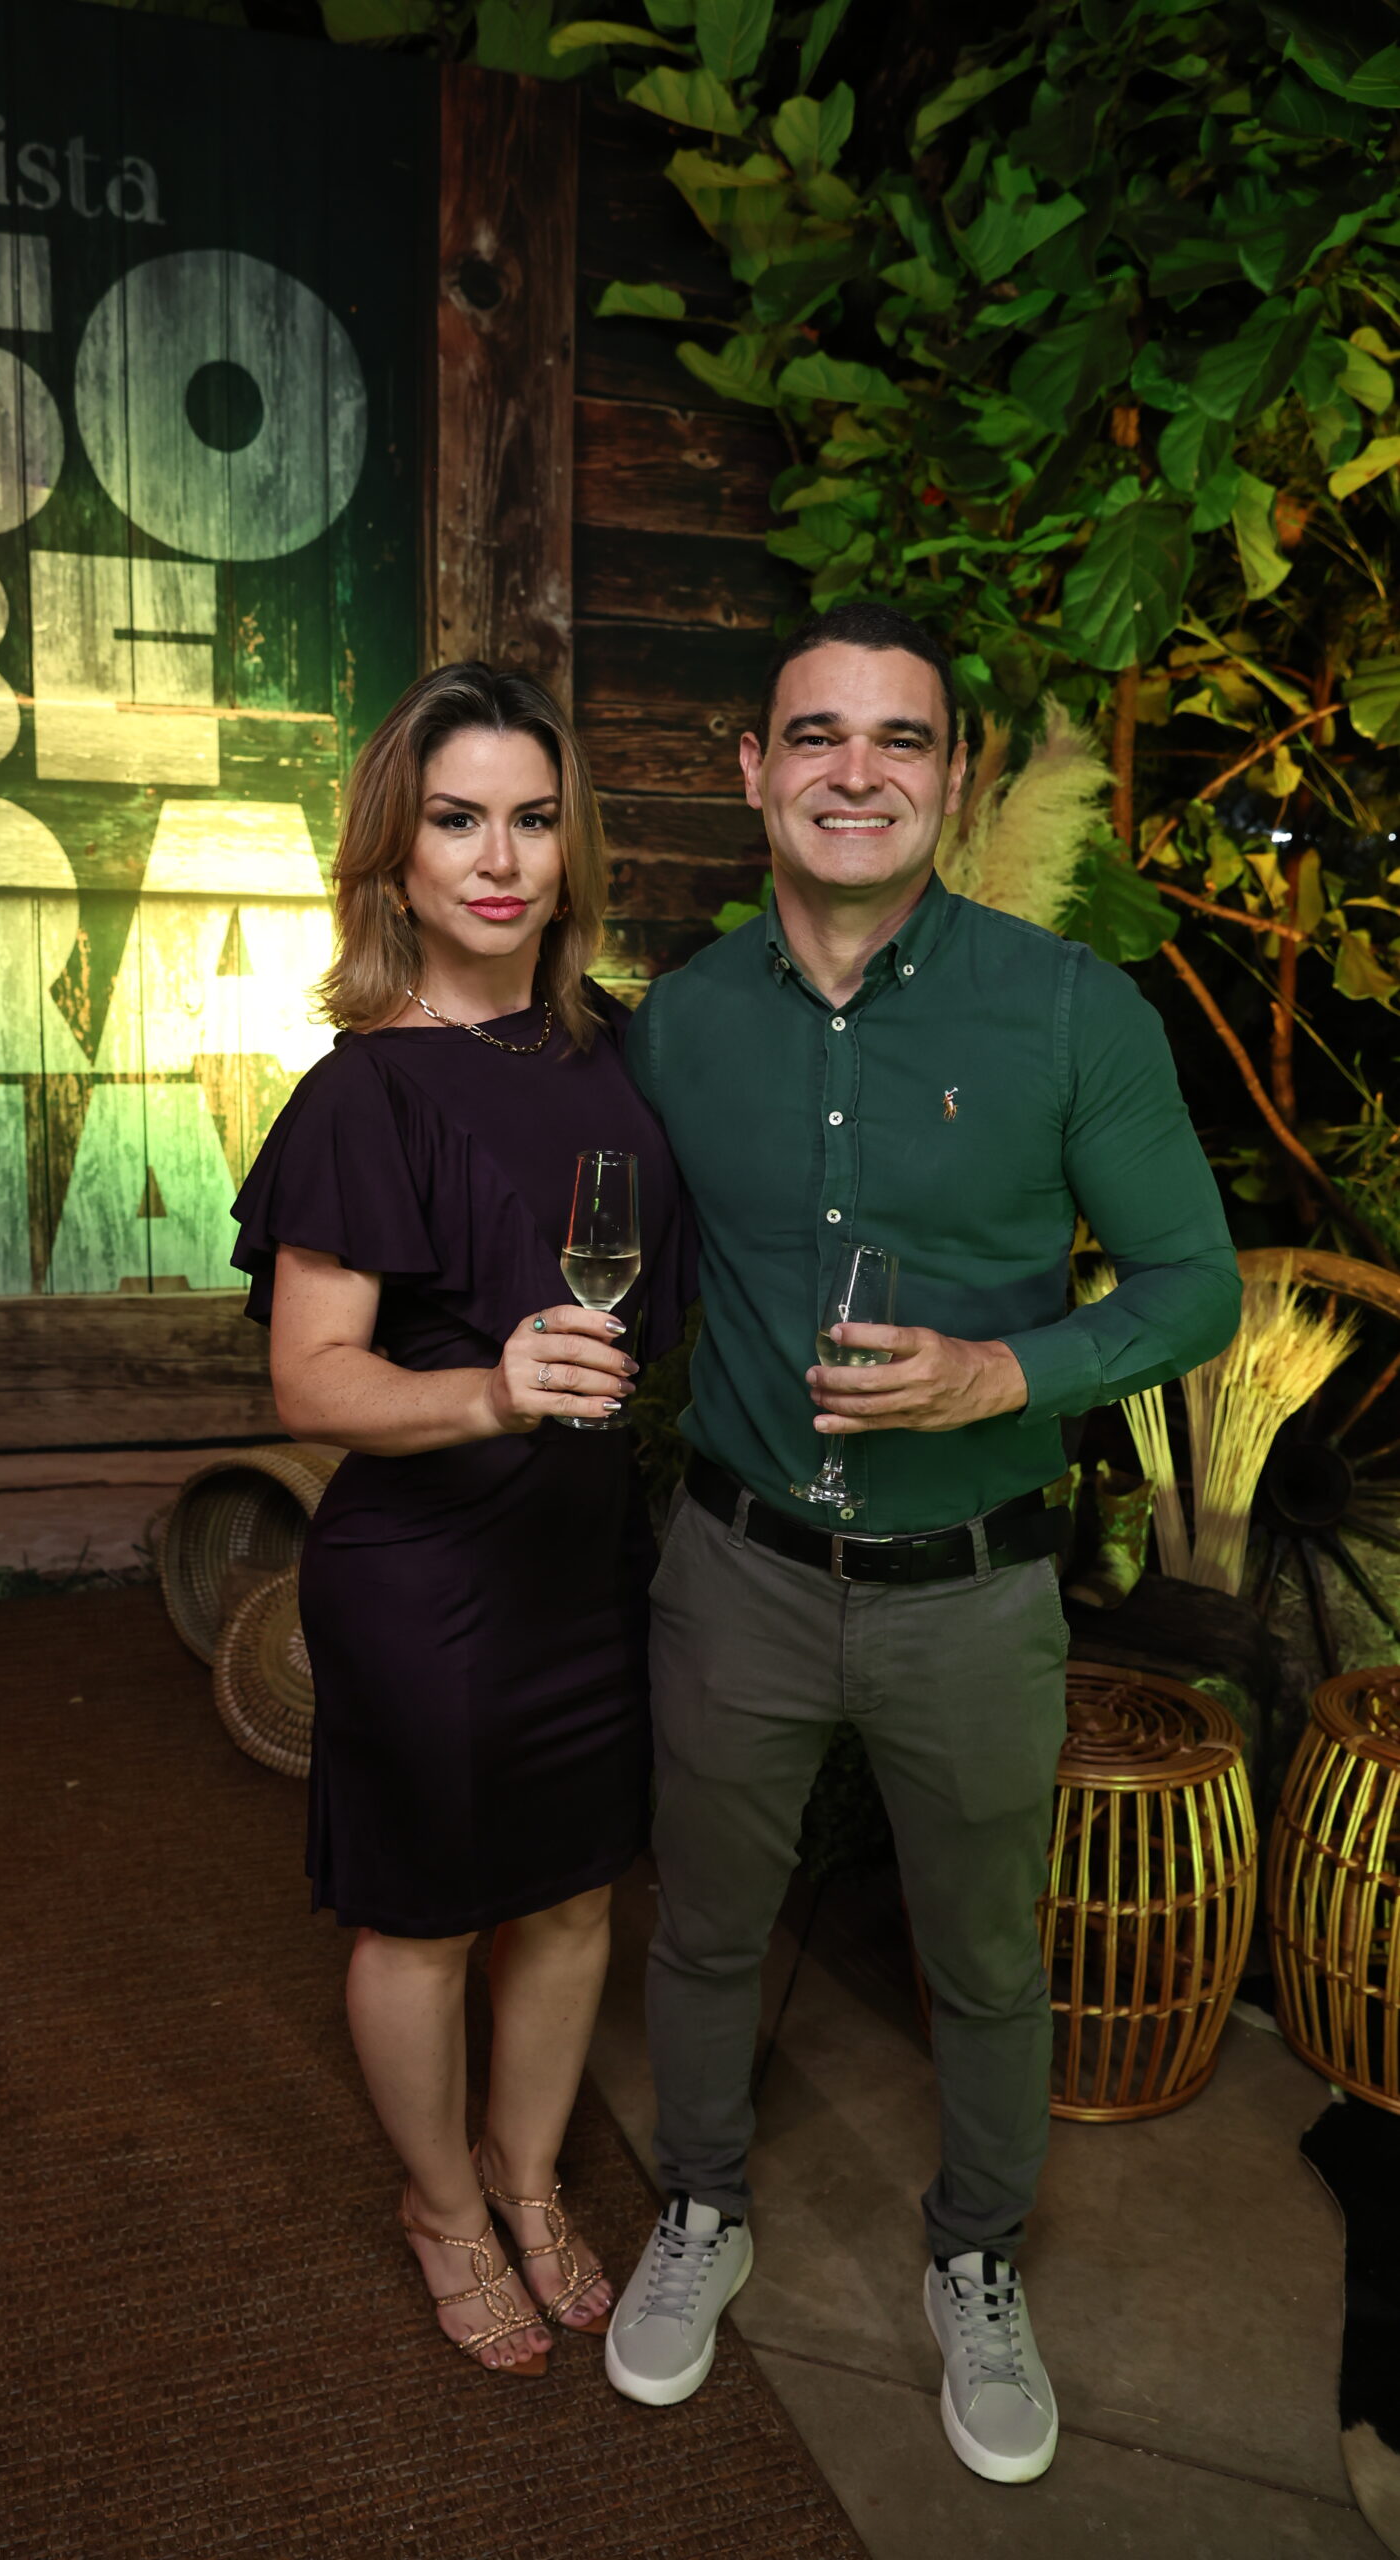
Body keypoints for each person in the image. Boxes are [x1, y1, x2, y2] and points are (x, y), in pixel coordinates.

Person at [603, 600, 1240, 2479]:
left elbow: (1195, 1288)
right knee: (705, 1929)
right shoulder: (682, 1024)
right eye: (817, 734)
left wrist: (1002, 1375)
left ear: (955, 778)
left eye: (901, 738)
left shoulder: (1069, 1011)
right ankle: (701, 2208)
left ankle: (977, 2258)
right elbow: (623, 1265)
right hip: (735, 1570)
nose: (856, 772)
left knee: (984, 1958)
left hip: (971, 1592)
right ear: (754, 771)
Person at [230, 662, 693, 2378]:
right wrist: (494, 1389)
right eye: (456, 821)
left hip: (587, 1560)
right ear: (397, 857)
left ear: (572, 850)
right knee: (422, 1917)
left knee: (572, 1899)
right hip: (429, 1583)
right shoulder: (367, 1092)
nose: (499, 859)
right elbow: (310, 1382)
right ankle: (441, 2208)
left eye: (533, 819)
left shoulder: (620, 1052)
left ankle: (526, 2176)